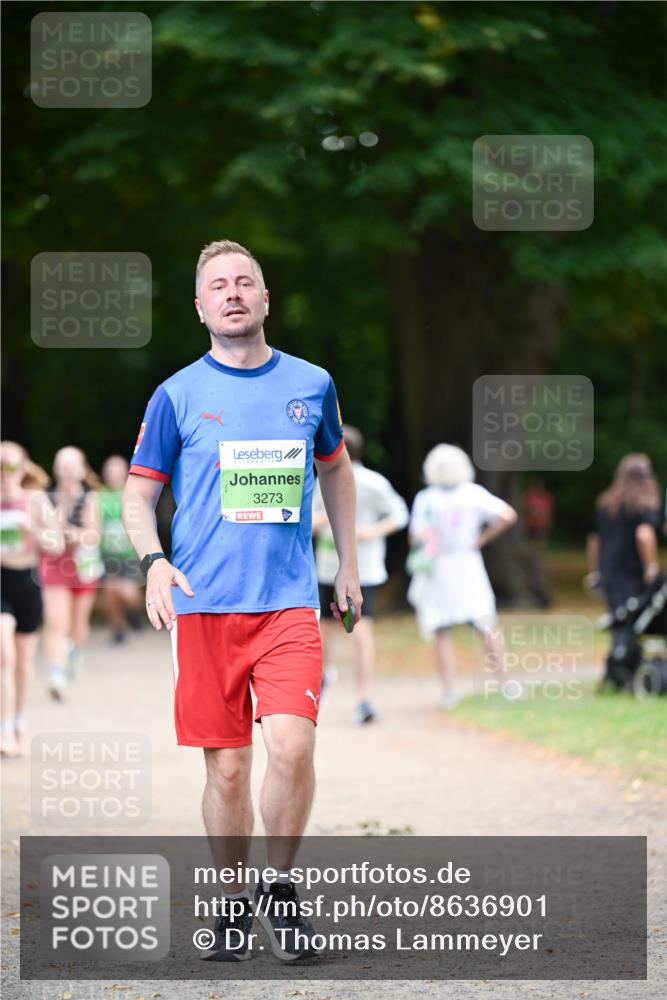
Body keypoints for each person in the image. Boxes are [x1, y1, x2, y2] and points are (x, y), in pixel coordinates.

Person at [122, 239, 361, 962]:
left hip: (286, 601)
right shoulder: (176, 395)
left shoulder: (311, 384)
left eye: (244, 282)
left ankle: (279, 892)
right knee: (225, 767)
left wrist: (348, 561)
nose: (232, 292)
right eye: (217, 285)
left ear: (264, 299)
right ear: (200, 308)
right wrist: (154, 562)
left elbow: (336, 470)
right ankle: (231, 897)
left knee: (291, 744)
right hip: (203, 605)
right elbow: (139, 494)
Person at [407, 444, 517, 709]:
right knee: (486, 624)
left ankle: (449, 691)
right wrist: (481, 539)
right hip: (467, 563)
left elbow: (415, 537)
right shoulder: (472, 494)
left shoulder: (426, 498)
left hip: (439, 566)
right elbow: (507, 514)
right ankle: (506, 682)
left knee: (441, 629)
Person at [312, 424, 408, 724]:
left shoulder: (371, 482)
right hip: (328, 566)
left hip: (364, 569)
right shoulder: (319, 483)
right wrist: (327, 519)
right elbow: (308, 519)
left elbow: (399, 514)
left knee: (360, 632)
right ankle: (324, 682)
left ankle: (364, 699)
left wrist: (371, 531)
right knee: (325, 632)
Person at [0, 442, 63, 756]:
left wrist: (33, 529)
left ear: (22, 470)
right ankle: (5, 727)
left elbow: (56, 543)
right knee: (4, 656)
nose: (3, 474)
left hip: (27, 583)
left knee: (23, 663)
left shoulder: (35, 501)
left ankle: (20, 720)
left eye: (9, 466)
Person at [585, 453, 661, 689]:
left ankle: (618, 669)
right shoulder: (645, 504)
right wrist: (651, 566)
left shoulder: (606, 503)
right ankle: (622, 669)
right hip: (631, 574)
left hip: (609, 573)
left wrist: (595, 571)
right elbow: (644, 535)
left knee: (620, 621)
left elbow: (594, 540)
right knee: (629, 621)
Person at [40, 447, 102, 701]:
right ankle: (56, 674)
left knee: (78, 625)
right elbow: (42, 535)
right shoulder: (45, 499)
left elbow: (92, 534)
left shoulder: (90, 498)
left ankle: (74, 650)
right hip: (54, 565)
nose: (65, 471)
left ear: (81, 469)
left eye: (70, 466)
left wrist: (64, 530)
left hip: (84, 567)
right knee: (56, 622)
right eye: (61, 465)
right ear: (55, 469)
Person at [99, 455, 143, 644]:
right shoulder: (99, 495)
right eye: (110, 472)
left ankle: (135, 612)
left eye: (117, 472)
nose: (113, 476)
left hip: (130, 554)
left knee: (128, 593)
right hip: (108, 554)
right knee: (111, 592)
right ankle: (117, 629)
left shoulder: (133, 494)